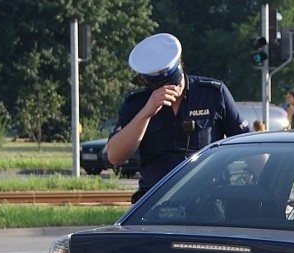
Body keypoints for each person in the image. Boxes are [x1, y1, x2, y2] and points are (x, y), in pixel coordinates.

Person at [106, 33, 249, 203]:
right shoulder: (136, 103)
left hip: (209, 200)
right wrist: (146, 113)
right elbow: (115, 156)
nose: (173, 90)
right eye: (164, 86)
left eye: (176, 82)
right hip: (155, 201)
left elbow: (247, 144)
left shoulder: (212, 93)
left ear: (180, 66)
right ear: (146, 81)